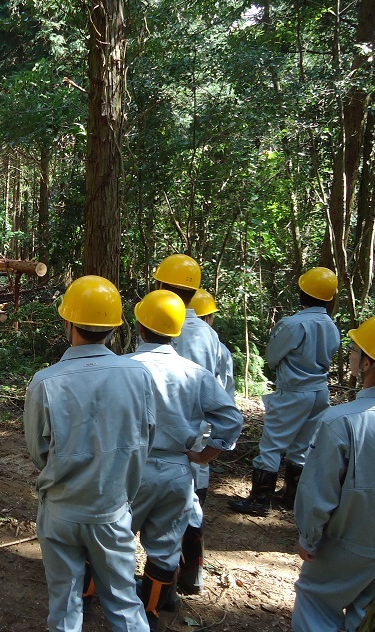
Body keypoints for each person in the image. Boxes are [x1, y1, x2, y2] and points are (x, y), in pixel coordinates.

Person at [23, 276, 155, 632]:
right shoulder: (139, 375)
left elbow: (39, 452)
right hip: (112, 510)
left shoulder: (45, 381)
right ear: (114, 327)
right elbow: (146, 438)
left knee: (64, 606)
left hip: (62, 510)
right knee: (125, 604)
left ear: (68, 323)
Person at [126, 290, 243, 629]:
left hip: (133, 468)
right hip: (178, 470)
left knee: (115, 538)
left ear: (139, 327)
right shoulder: (195, 373)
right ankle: (150, 614)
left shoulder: (125, 368)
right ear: (176, 331)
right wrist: (208, 453)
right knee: (164, 547)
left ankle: (92, 604)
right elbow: (231, 418)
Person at [229, 267, 340, 517]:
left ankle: (260, 500)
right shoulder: (331, 326)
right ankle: (291, 497)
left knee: (271, 445)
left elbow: (272, 357)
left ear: (303, 293)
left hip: (294, 391)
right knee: (301, 445)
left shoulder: (294, 324)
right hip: (319, 392)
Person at [291, 316, 375, 632]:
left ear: (367, 363)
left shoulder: (341, 422)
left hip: (348, 543)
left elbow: (319, 492)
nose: (350, 356)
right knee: (362, 611)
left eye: (355, 351)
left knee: (315, 601)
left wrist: (308, 538)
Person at [152, 255, 225, 595]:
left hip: (157, 441)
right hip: (196, 435)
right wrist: (210, 448)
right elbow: (223, 391)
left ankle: (158, 589)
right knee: (188, 505)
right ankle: (188, 575)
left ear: (161, 285)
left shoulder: (163, 326)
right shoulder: (209, 336)